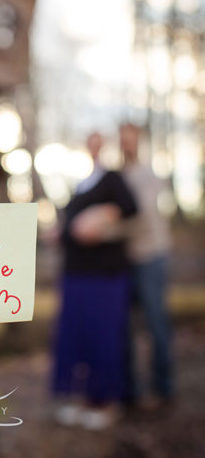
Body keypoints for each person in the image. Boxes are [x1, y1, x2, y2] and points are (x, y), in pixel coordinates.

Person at [51, 132, 137, 429]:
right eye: (89, 139)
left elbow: (129, 208)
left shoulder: (112, 178)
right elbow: (70, 228)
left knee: (104, 336)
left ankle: (108, 401)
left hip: (105, 274)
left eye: (99, 139)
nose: (94, 145)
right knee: (77, 336)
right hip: (75, 274)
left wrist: (103, 214)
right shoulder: (80, 185)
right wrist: (58, 234)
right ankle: (81, 398)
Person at [119, 123, 174, 407]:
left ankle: (163, 387)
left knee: (156, 323)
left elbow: (139, 213)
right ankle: (131, 390)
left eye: (130, 140)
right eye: (122, 140)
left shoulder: (149, 175)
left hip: (152, 256)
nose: (126, 145)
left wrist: (104, 225)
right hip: (126, 261)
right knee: (125, 327)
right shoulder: (118, 176)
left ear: (137, 141)